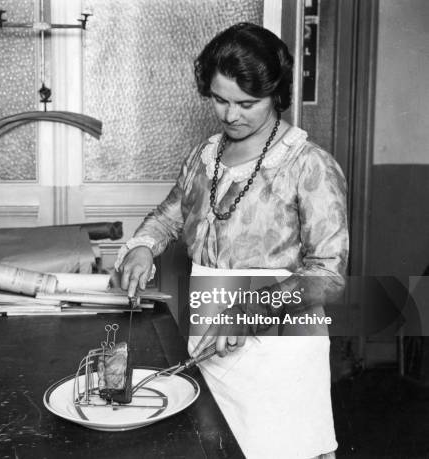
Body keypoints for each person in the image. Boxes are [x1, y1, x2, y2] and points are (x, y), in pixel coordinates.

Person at [115, 23, 348, 459]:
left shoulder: (310, 166)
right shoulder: (205, 155)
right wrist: (144, 245)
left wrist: (252, 307)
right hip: (210, 335)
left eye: (247, 103)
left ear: (275, 94)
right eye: (220, 100)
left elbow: (329, 277)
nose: (230, 115)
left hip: (280, 350)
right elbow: (170, 215)